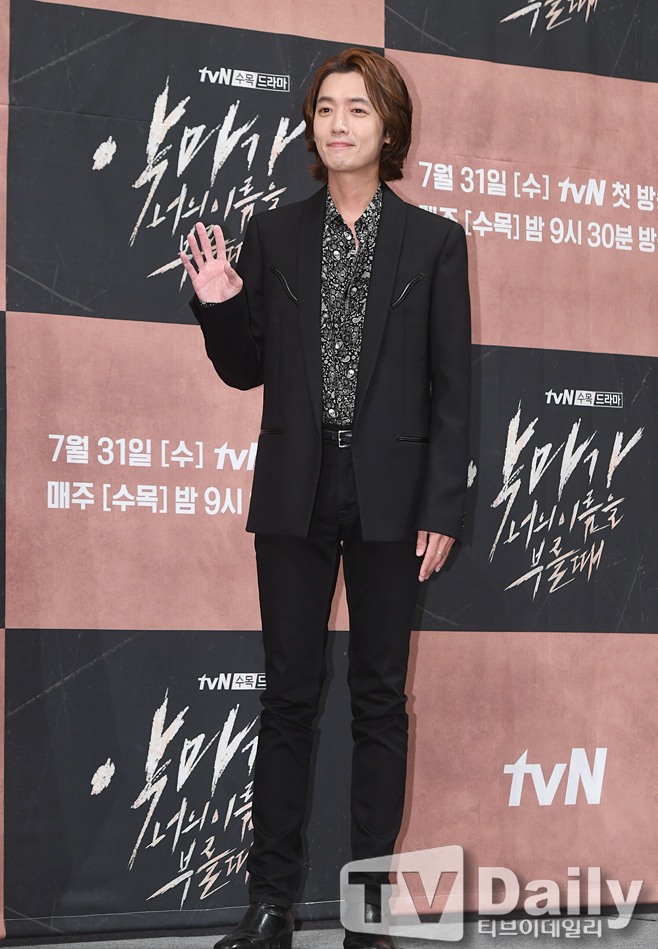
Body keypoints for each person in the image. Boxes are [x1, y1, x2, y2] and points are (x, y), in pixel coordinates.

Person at [181, 47, 471, 949]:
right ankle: (270, 905)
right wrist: (219, 305)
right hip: (294, 490)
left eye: (358, 109)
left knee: (379, 702)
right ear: (312, 126)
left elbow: (453, 389)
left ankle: (368, 913)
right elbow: (247, 369)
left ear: (389, 128)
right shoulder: (273, 234)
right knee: (288, 697)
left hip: (394, 497)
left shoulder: (435, 241)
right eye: (326, 108)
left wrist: (443, 505)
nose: (338, 123)